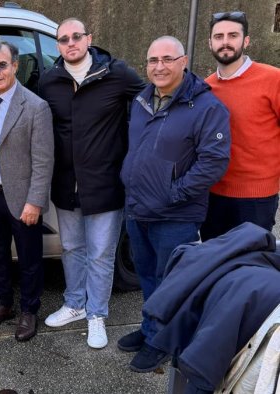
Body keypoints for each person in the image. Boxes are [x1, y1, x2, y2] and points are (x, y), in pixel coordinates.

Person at [119, 36, 230, 372]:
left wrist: (174, 193)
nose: (159, 66)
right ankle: (152, 327)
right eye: (153, 60)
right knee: (147, 275)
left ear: (184, 61)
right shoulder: (141, 99)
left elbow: (214, 161)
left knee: (172, 281)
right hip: (138, 208)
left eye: (167, 59)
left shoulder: (207, 107)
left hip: (175, 213)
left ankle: (163, 341)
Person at [37, 18, 146, 349]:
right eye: (63, 39)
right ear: (58, 46)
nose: (70, 43)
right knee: (72, 247)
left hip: (105, 183)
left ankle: (97, 314)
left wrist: (131, 151)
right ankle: (75, 303)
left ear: (89, 39)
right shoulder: (49, 80)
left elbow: (149, 102)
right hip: (65, 183)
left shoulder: (117, 74)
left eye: (76, 36)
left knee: (101, 252)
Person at [0, 41, 54, 342]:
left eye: (2, 65)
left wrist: (35, 202)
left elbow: (44, 160)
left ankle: (29, 311)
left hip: (22, 198)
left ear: (16, 65)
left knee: (29, 257)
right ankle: (3, 304)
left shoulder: (35, 106)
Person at [200, 11, 280, 241]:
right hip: (213, 194)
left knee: (250, 266)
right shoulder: (206, 87)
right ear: (210, 43)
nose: (225, 42)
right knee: (214, 264)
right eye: (219, 36)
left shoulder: (273, 79)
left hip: (257, 198)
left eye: (232, 35)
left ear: (245, 40)